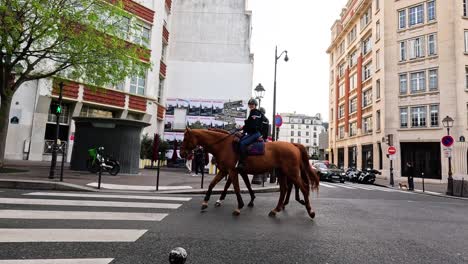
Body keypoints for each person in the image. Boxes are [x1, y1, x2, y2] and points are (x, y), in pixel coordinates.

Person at [236, 98, 264, 171]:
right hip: (252, 132)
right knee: (240, 140)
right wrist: (241, 129)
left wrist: (243, 130)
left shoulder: (255, 113)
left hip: (255, 133)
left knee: (242, 143)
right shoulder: (252, 112)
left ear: (255, 105)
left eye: (252, 104)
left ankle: (242, 162)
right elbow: (249, 124)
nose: (251, 106)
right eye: (250, 104)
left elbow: (252, 125)